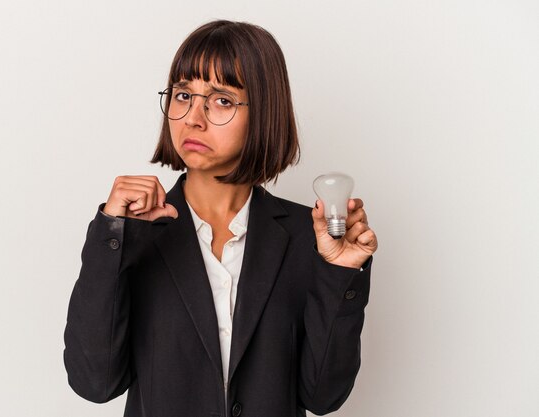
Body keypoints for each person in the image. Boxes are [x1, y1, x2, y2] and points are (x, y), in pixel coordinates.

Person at [63, 20, 378, 417]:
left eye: (222, 100)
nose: (193, 118)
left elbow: (322, 396)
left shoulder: (306, 237)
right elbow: (95, 382)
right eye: (182, 95)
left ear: (263, 112)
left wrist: (341, 271)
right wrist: (112, 236)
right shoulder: (134, 234)